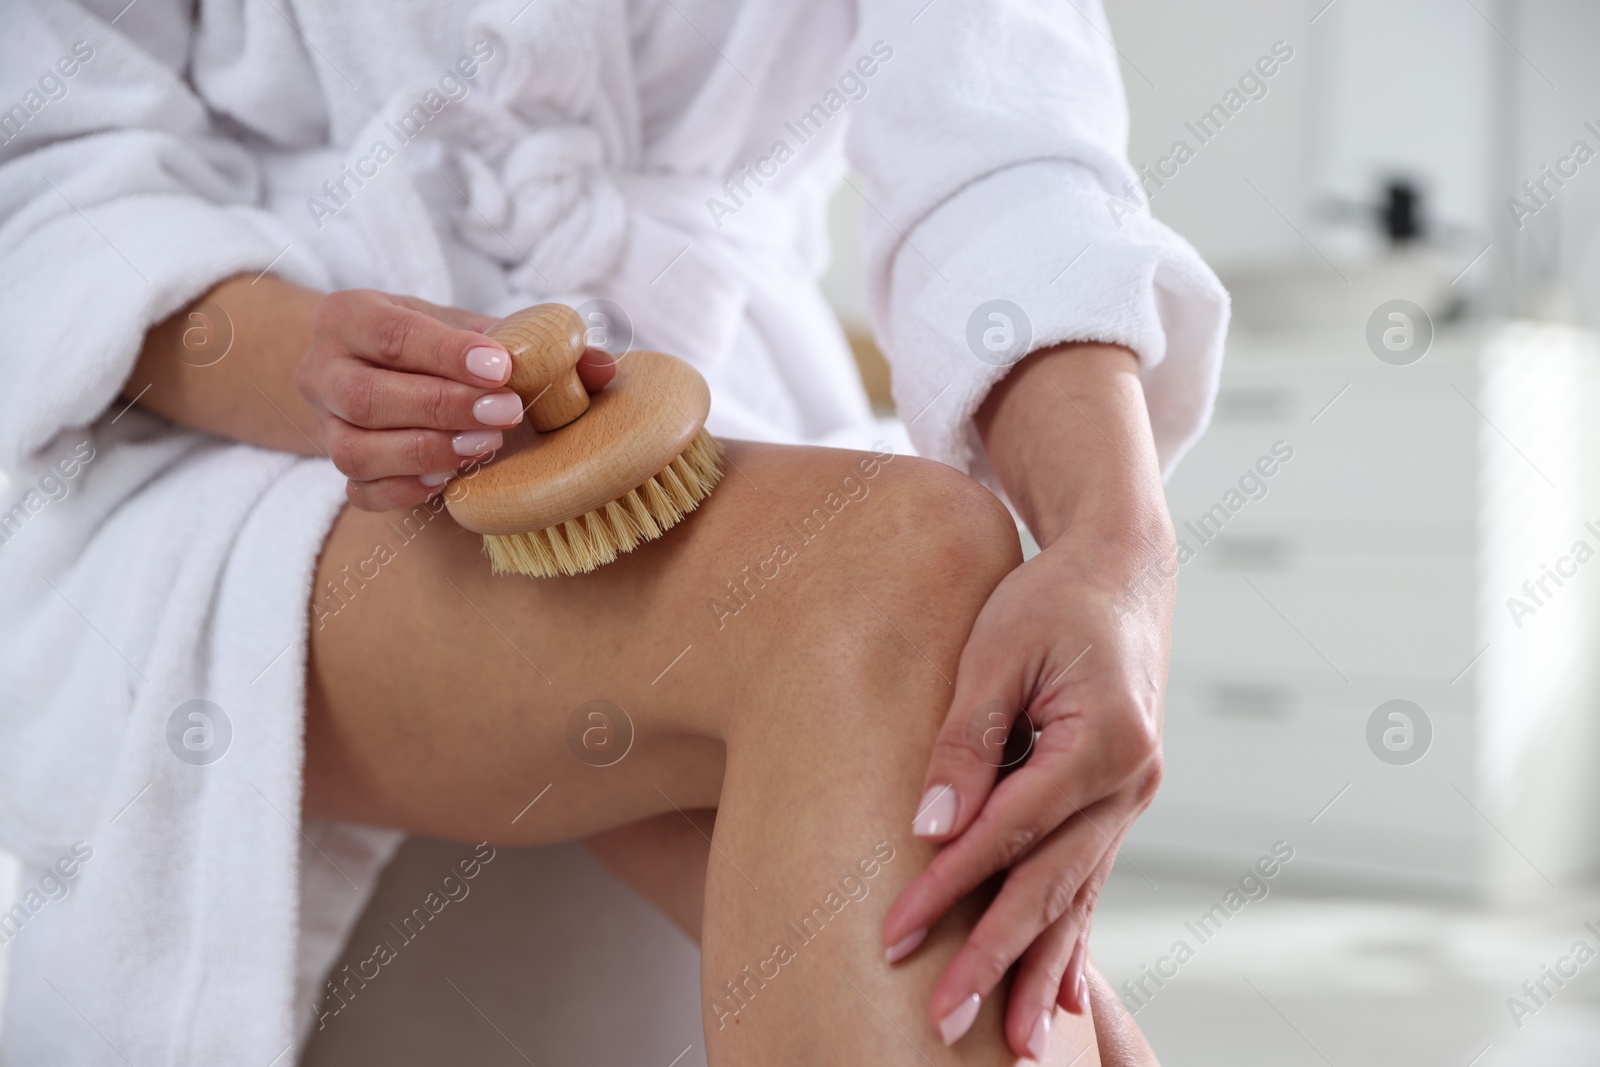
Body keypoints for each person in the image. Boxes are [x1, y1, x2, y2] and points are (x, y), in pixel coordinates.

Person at [0, 0, 1226, 1063]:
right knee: (892, 565)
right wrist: (326, 366)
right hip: (248, 434)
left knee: (910, 594)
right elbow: (46, 163)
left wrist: (1115, 542)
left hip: (720, 386)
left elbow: (1008, 145)